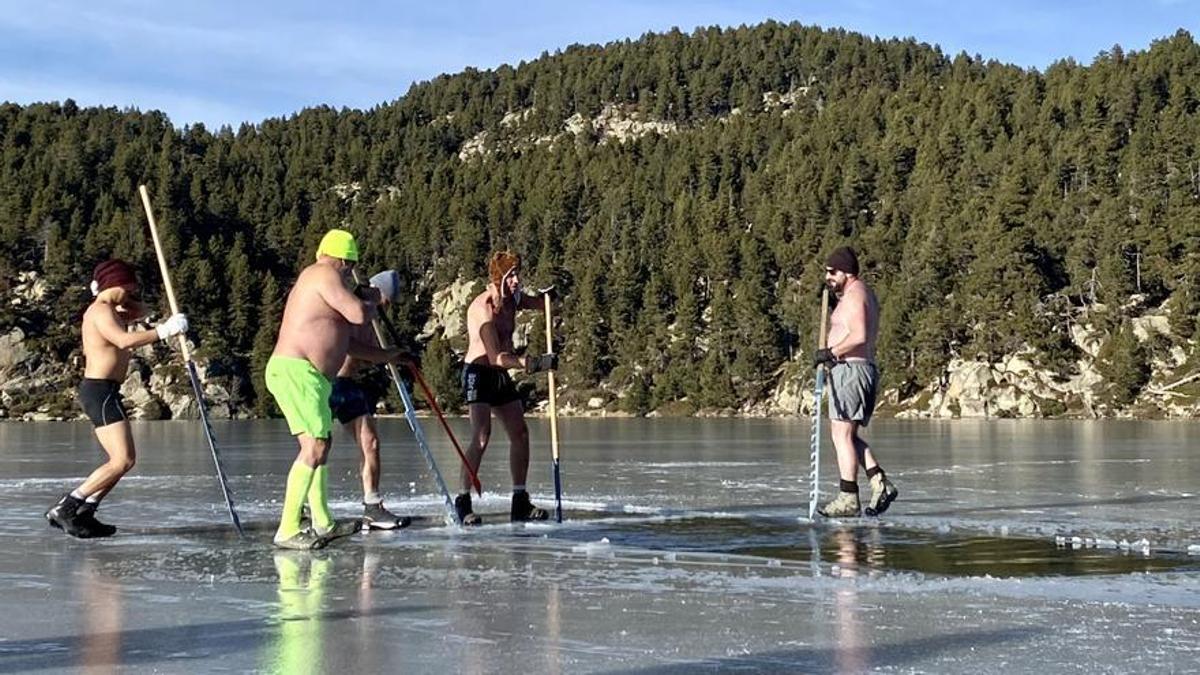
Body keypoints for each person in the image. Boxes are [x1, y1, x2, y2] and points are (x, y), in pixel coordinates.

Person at [266, 229, 405, 549]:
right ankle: (287, 529)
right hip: (295, 371)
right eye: (349, 266)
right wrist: (371, 300)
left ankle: (323, 522)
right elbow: (357, 313)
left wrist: (388, 356)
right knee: (315, 445)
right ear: (343, 259)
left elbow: (349, 344)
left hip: (310, 377)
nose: (348, 273)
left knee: (320, 445)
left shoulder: (328, 284)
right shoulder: (322, 274)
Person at [44, 259, 189, 538]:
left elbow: (140, 310)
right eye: (130, 287)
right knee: (121, 460)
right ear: (117, 284)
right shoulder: (100, 311)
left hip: (105, 391)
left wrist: (164, 316)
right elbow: (122, 340)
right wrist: (164, 331)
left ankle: (86, 511)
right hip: (100, 390)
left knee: (123, 460)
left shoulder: (112, 309)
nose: (133, 292)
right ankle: (68, 506)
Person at [455, 251, 558, 525]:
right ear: (498, 278)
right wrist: (532, 364)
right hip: (479, 371)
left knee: (520, 432)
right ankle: (463, 502)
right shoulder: (483, 309)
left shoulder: (513, 299)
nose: (516, 281)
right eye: (511, 276)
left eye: (517, 274)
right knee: (481, 435)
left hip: (500, 374)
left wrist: (550, 298)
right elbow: (495, 357)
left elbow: (543, 305)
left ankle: (520, 500)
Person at [813, 246, 898, 518]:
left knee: (841, 435)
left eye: (833, 272)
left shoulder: (855, 296)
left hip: (851, 370)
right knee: (847, 436)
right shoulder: (857, 294)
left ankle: (848, 496)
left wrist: (831, 352)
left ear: (847, 272)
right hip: (852, 370)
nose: (828, 277)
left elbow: (859, 335)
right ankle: (878, 481)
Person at [327, 269, 414, 530]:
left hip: (347, 384)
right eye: (388, 299)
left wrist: (394, 356)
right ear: (379, 292)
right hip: (326, 382)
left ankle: (372, 504)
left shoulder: (372, 315)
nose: (388, 306)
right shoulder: (351, 306)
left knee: (370, 441)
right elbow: (349, 346)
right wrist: (388, 355)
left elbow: (367, 354)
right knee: (317, 446)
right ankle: (305, 507)